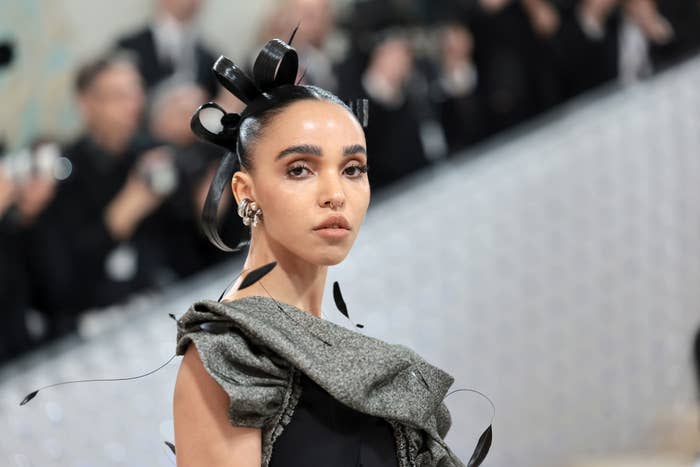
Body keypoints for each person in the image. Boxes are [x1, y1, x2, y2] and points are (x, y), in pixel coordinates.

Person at [172, 36, 478, 466]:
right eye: (300, 169)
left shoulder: (347, 354)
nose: (336, 194)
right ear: (245, 191)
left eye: (353, 169)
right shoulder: (229, 356)